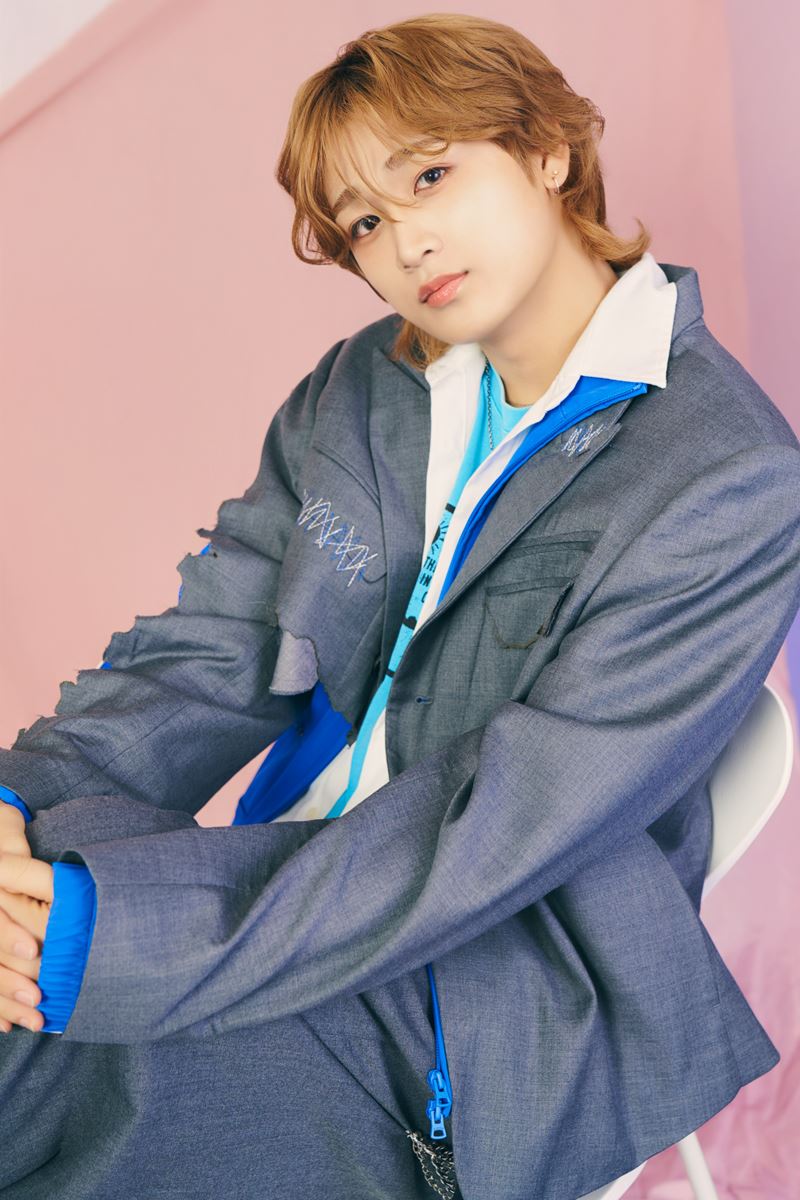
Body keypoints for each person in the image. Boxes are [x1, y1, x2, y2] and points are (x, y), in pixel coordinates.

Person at [1, 12, 799, 1200]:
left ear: (544, 151)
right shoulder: (361, 391)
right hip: (265, 895)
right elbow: (205, 655)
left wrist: (113, 935)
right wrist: (16, 807)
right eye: (364, 222)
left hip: (472, 1010)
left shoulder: (721, 477)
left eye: (429, 176)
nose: (405, 240)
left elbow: (487, 832)